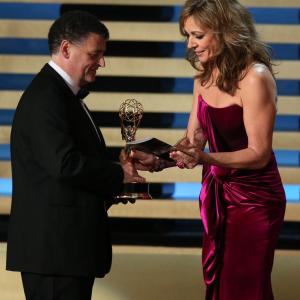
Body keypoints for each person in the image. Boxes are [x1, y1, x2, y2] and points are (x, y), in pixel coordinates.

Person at [130, 0, 286, 299]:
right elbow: (193, 143)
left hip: (255, 198)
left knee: (245, 286)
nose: (191, 44)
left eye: (197, 36)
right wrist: (160, 159)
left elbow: (259, 153)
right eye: (187, 36)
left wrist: (206, 159)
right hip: (218, 195)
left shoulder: (255, 77)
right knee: (220, 284)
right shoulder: (203, 75)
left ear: (224, 30)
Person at [6, 10, 144, 300]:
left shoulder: (60, 95)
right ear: (67, 48)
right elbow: (65, 165)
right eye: (95, 54)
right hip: (55, 255)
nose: (102, 62)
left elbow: (68, 164)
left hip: (64, 253)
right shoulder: (47, 98)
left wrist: (119, 169)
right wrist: (120, 175)